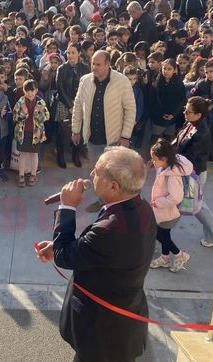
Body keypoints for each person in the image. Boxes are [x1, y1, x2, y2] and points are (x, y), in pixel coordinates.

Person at [35, 146, 156, 362]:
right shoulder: (143, 209)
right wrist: (68, 247)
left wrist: (67, 206)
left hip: (101, 336)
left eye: (97, 171)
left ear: (114, 186)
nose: (91, 174)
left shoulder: (108, 230)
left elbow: (64, 257)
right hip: (125, 329)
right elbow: (108, 253)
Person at [71, 50, 136, 211]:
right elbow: (78, 106)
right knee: (98, 174)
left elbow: (130, 109)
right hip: (93, 138)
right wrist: (76, 130)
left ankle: (119, 205)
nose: (94, 67)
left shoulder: (122, 82)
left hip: (114, 140)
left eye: (98, 64)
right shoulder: (85, 81)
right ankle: (102, 202)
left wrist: (125, 136)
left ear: (108, 65)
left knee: (116, 175)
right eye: (93, 63)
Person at [172, 96, 213, 248]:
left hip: (192, 175)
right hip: (186, 173)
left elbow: (194, 161)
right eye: (185, 110)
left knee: (198, 208)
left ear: (198, 115)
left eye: (188, 112)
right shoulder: (191, 124)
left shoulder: (202, 133)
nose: (184, 113)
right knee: (194, 206)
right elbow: (179, 141)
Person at [148, 139, 193, 272]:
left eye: (155, 159)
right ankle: (165, 258)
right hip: (166, 212)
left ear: (164, 158)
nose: (153, 162)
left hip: (168, 212)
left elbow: (176, 197)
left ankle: (180, 255)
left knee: (158, 233)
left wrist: (158, 203)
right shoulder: (170, 165)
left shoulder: (172, 176)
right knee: (164, 234)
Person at [55, 43, 89, 168]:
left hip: (80, 104)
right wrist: (70, 105)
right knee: (64, 132)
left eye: (73, 52)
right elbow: (60, 88)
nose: (70, 55)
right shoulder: (62, 69)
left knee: (78, 130)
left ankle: (76, 154)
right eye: (68, 52)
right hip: (64, 104)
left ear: (79, 53)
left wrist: (78, 104)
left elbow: (88, 86)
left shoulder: (85, 68)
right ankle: (60, 154)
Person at [13, 79, 49, 187]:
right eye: (27, 90)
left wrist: (39, 116)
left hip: (36, 133)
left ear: (36, 90)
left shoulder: (41, 102)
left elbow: (47, 116)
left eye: (32, 90)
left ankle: (33, 174)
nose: (30, 93)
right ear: (23, 91)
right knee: (22, 155)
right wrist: (22, 116)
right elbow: (14, 116)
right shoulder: (20, 102)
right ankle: (21, 175)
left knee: (34, 155)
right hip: (23, 133)